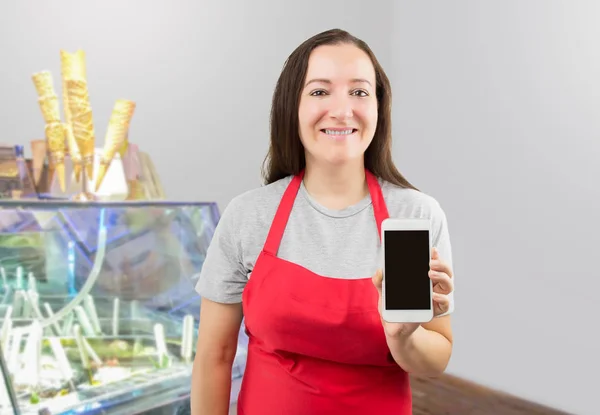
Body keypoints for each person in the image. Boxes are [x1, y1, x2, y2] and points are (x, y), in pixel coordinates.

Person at [191, 28, 455, 415]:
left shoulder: (416, 215)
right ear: (291, 107)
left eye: (360, 92)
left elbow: (436, 360)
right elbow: (215, 356)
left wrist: (403, 339)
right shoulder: (248, 216)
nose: (342, 109)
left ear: (378, 108)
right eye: (319, 91)